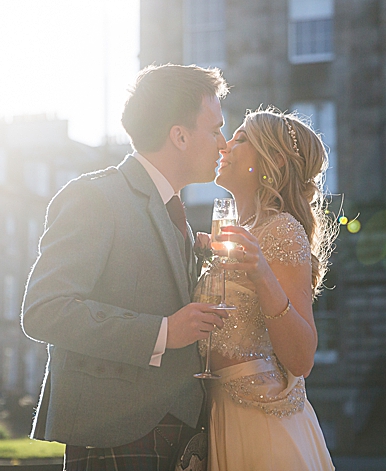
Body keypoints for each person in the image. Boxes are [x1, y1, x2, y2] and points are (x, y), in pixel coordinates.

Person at [21, 63, 230, 471]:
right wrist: (164, 332)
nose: (223, 143)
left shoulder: (178, 214)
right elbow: (44, 310)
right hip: (115, 436)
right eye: (216, 128)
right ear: (180, 136)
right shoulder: (94, 198)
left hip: (185, 438)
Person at [197, 107, 337, 470]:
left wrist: (262, 274)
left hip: (262, 423)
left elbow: (302, 358)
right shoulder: (232, 232)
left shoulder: (282, 229)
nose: (226, 145)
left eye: (241, 138)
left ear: (272, 160)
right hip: (216, 413)